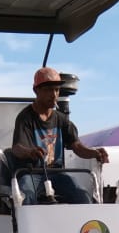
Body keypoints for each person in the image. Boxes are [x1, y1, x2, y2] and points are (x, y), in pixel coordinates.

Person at [10, 67, 109, 203]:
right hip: (32, 173)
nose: (54, 94)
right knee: (27, 196)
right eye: (49, 90)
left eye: (56, 90)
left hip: (57, 174)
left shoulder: (62, 119)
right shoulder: (25, 118)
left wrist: (95, 153)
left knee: (82, 196)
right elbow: (17, 148)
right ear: (36, 91)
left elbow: (77, 147)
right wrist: (30, 152)